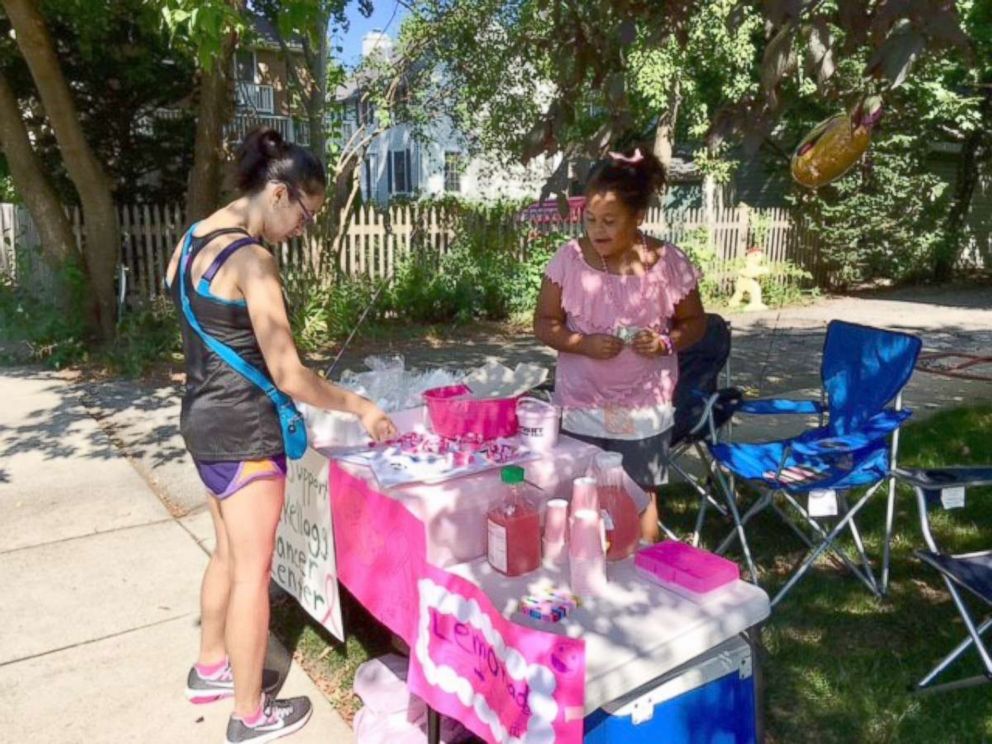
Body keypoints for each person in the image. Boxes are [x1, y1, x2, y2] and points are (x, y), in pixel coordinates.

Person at [165, 127, 396, 744]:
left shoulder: (190, 241)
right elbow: (290, 373)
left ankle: (210, 666)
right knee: (251, 573)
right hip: (243, 433)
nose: (302, 229)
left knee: (226, 552)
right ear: (277, 191)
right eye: (305, 214)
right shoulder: (253, 261)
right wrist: (360, 406)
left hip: (201, 420)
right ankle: (249, 715)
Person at [533, 147, 707, 541]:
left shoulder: (669, 263)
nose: (597, 230)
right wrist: (581, 343)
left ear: (639, 217)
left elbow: (695, 324)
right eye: (590, 219)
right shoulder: (569, 260)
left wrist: (665, 342)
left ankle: (645, 573)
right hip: (581, 405)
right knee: (581, 492)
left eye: (609, 221)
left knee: (638, 493)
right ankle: (588, 565)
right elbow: (544, 323)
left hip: (642, 409)